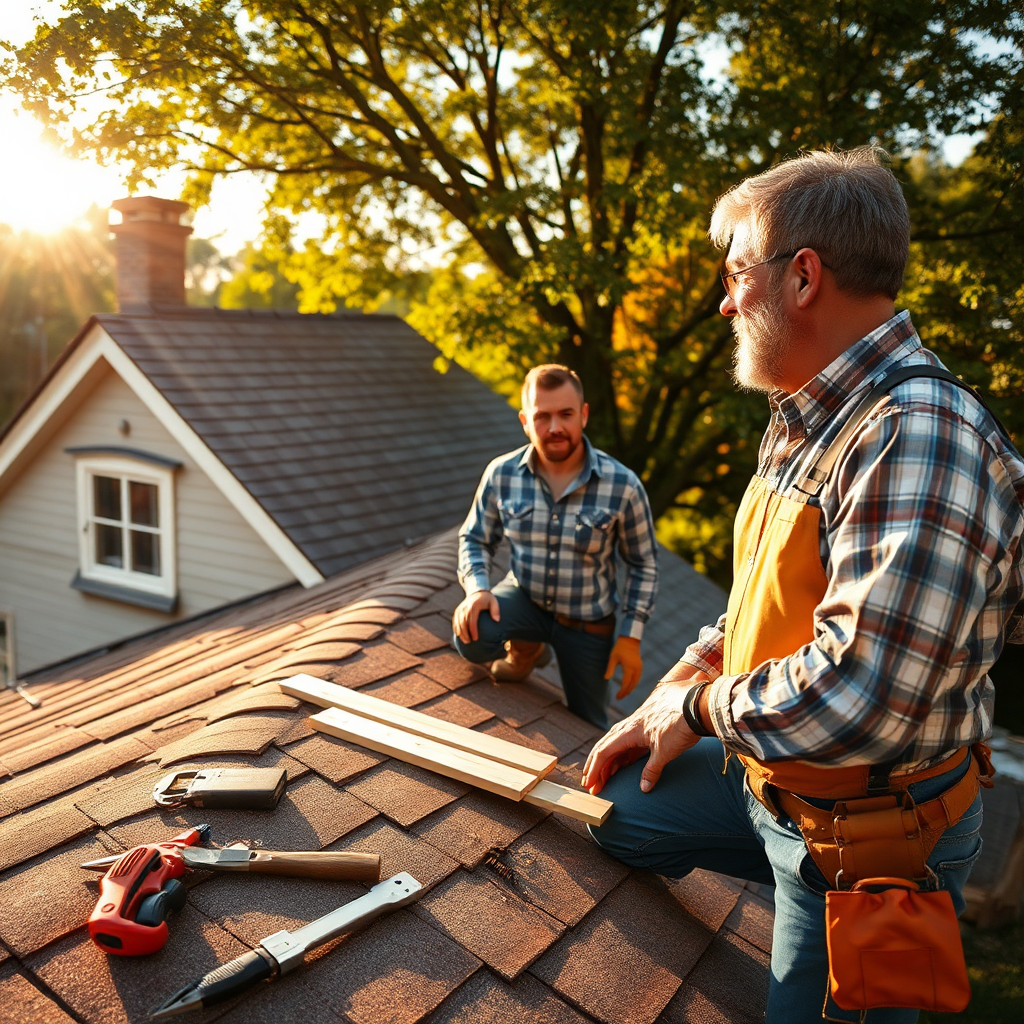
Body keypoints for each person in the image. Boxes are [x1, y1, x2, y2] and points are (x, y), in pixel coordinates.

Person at [582, 148, 1024, 1023]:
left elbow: (858, 696)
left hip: (871, 836)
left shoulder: (917, 437)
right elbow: (764, 597)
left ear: (803, 278)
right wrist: (678, 685)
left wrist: (701, 715)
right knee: (617, 812)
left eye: (736, 272)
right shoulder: (808, 418)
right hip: (771, 779)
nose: (723, 300)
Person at [453, 365, 659, 729]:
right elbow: (474, 537)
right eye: (542, 416)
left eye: (565, 414)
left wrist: (630, 636)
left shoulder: (623, 485)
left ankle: (540, 650)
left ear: (583, 414)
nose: (554, 428)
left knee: (589, 723)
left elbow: (643, 564)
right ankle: (527, 649)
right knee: (473, 634)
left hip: (588, 624)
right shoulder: (501, 474)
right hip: (525, 599)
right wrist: (477, 589)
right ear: (524, 421)